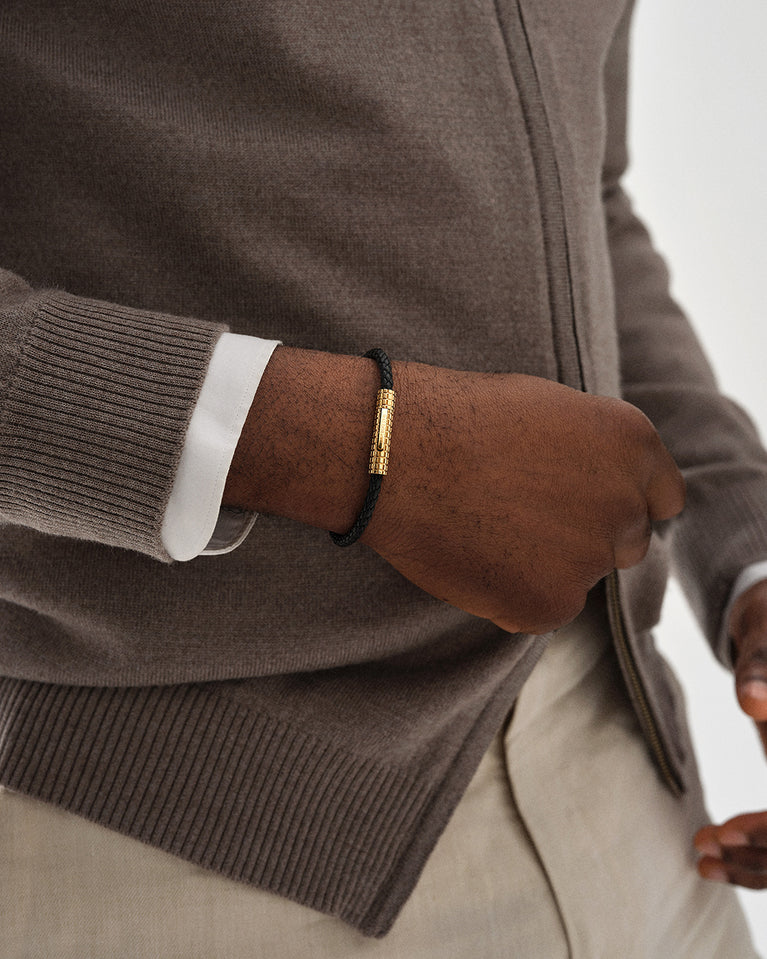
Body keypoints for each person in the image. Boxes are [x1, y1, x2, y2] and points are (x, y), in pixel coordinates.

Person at [1, 0, 767, 955]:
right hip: (157, 838)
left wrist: (746, 555)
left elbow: (586, 196)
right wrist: (351, 446)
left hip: (634, 790)